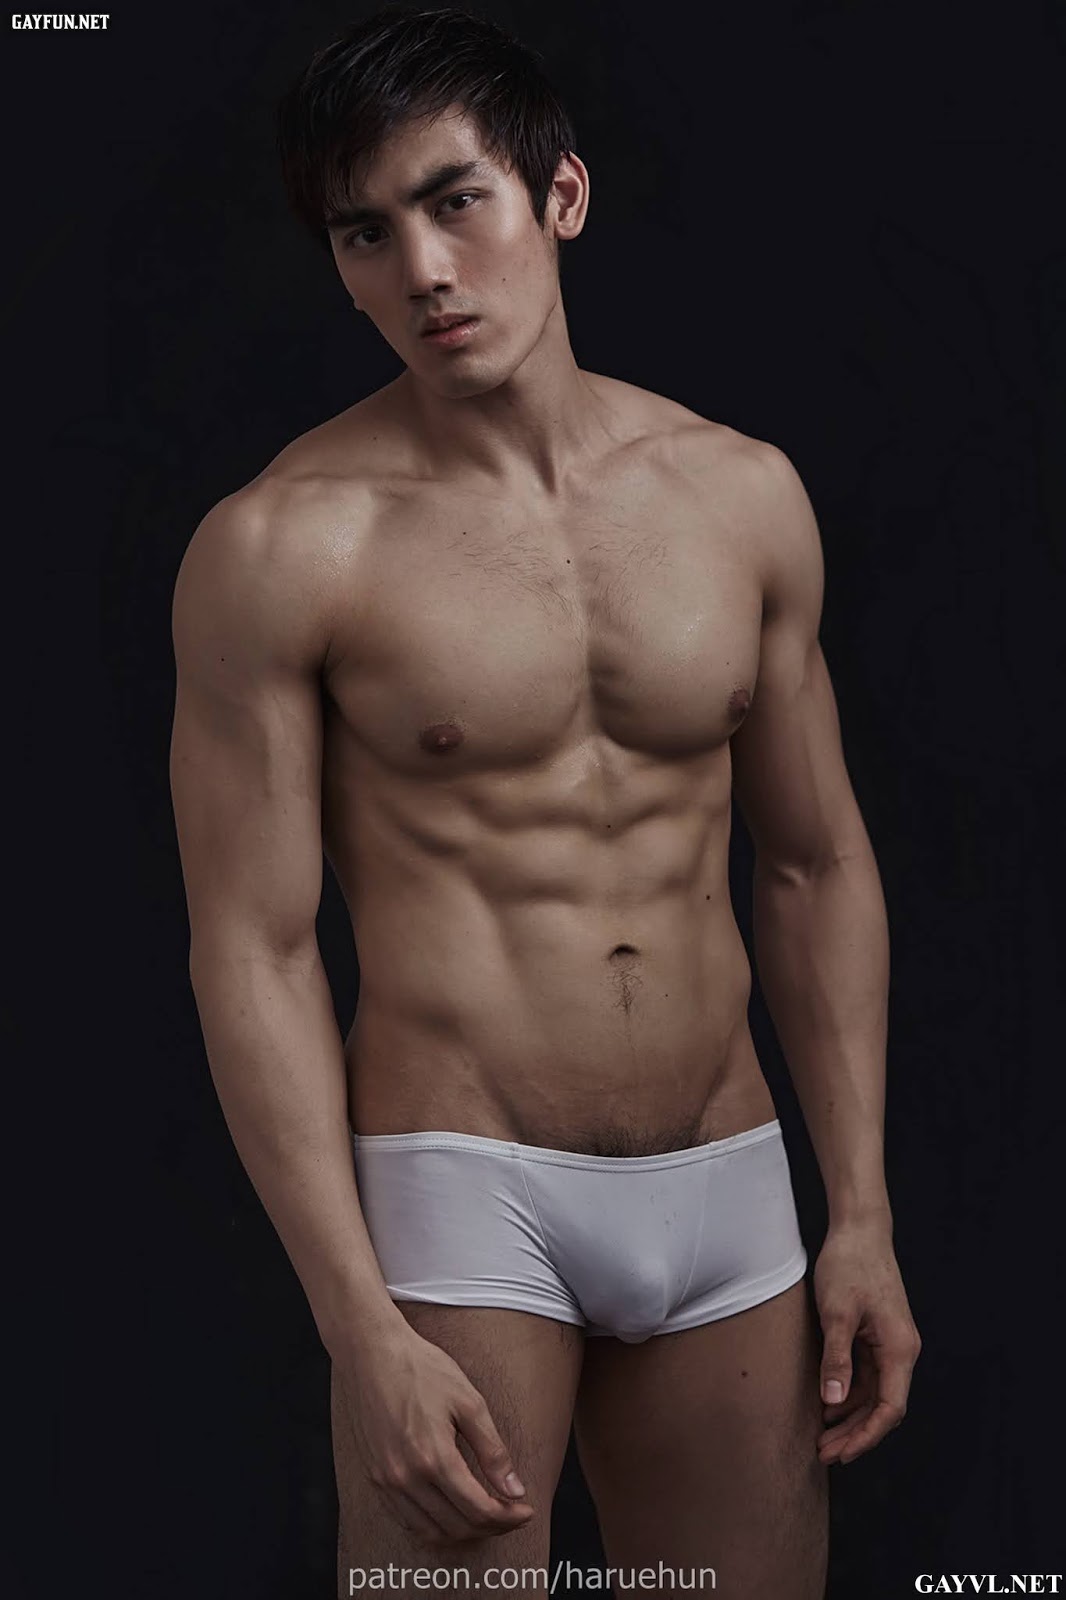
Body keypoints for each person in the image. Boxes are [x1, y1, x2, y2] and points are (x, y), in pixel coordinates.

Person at [169, 6, 921, 1596]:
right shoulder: (285, 546)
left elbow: (813, 864)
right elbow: (255, 949)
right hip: (465, 1188)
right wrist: (356, 1323)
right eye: (365, 234)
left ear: (558, 195)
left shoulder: (739, 495)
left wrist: (856, 1212)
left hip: (727, 1174)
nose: (423, 271)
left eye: (457, 203)